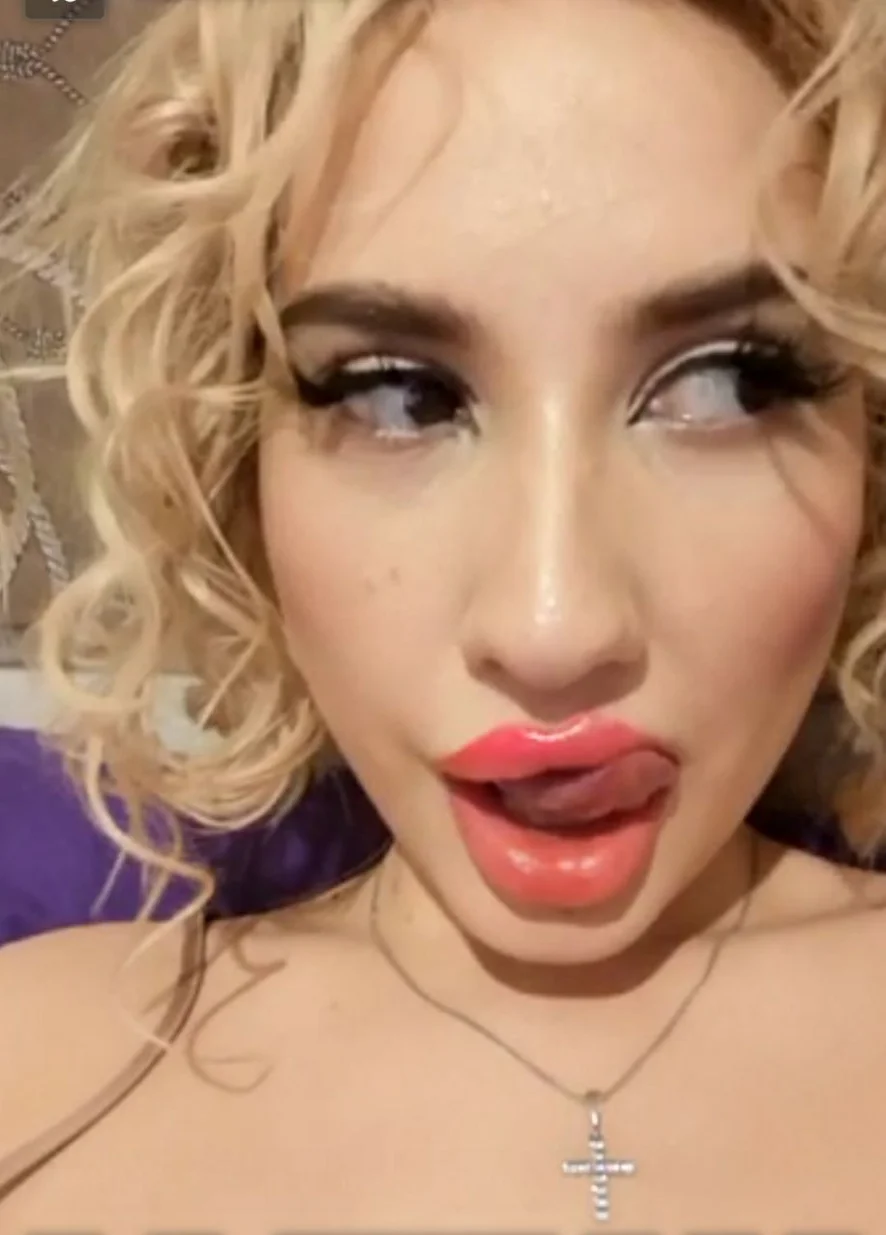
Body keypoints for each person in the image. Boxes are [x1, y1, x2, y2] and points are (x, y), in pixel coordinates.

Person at [2, 0, 886, 1227]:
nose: (553, 626)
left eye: (730, 382)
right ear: (236, 462)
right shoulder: (47, 1071)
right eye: (398, 396)